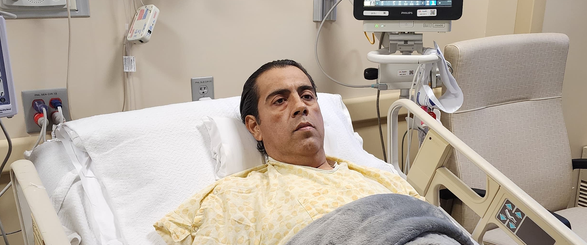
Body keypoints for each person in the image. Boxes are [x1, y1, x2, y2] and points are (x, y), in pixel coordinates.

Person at [154, 59, 466, 245]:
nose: (300, 106)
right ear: (254, 127)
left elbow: (433, 225)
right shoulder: (234, 197)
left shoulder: (382, 179)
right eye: (280, 100)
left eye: (307, 96)